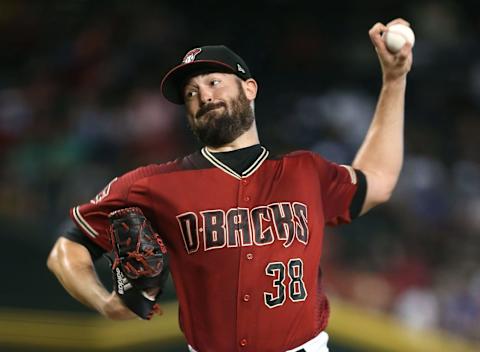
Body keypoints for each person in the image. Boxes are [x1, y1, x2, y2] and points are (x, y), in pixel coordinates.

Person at [47, 18, 413, 352]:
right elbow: (68, 246)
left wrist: (394, 81)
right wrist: (105, 303)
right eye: (190, 93)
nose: (203, 96)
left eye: (214, 82)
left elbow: (378, 181)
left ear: (250, 88)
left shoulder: (305, 172)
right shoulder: (153, 185)